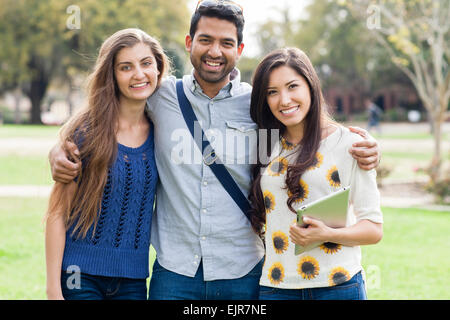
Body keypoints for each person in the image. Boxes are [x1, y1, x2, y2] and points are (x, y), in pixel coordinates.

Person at [48, 1, 380, 300]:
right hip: (175, 273)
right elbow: (109, 109)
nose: (215, 51)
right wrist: (59, 148)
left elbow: (304, 129)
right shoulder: (158, 95)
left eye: (226, 43)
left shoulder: (260, 105)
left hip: (243, 272)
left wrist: (362, 144)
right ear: (190, 42)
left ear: (240, 49)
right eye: (206, 40)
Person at [248, 48, 383, 300]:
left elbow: (373, 229)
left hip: (339, 285)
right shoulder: (264, 144)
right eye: (272, 92)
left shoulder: (350, 144)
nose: (284, 100)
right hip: (277, 287)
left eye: (292, 86)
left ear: (310, 86)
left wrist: (328, 234)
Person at [45, 28, 169, 300]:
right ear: (111, 75)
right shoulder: (86, 133)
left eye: (146, 63)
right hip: (80, 275)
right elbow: (57, 214)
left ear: (158, 68)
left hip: (133, 280)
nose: (139, 74)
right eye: (126, 67)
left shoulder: (165, 129)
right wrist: (53, 289)